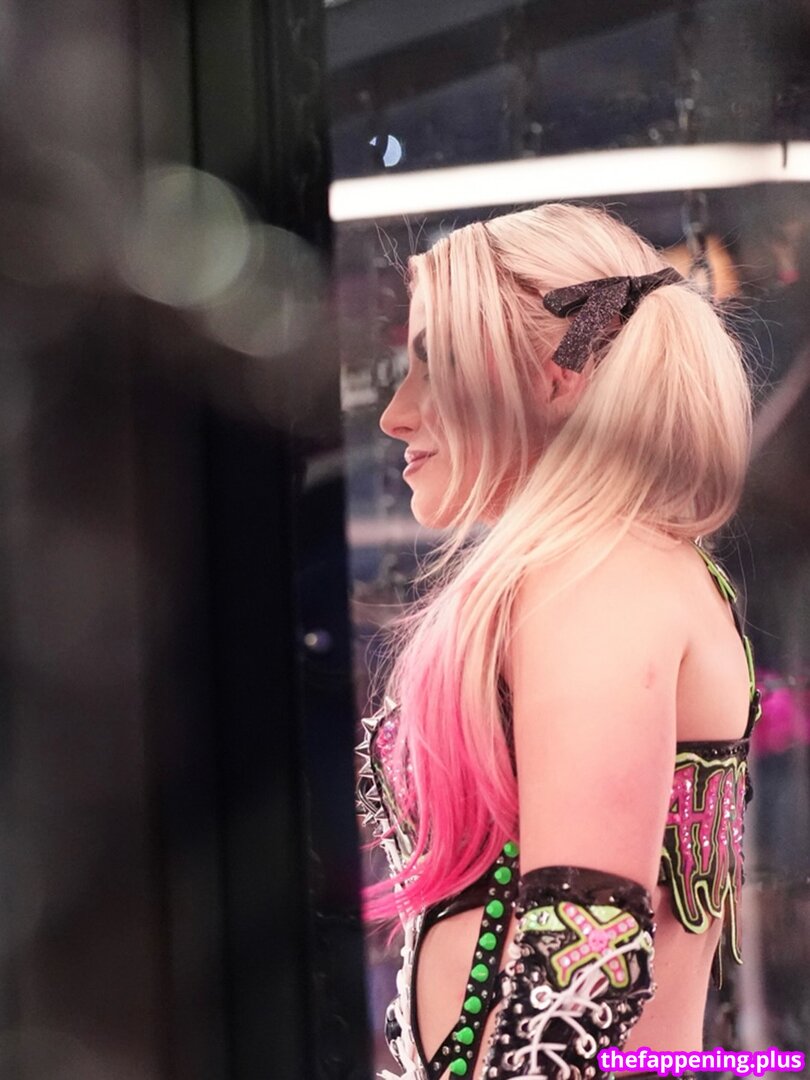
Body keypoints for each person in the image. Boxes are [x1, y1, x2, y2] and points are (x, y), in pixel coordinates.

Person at [355, 203, 761, 1080]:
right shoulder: (616, 568)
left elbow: (584, 964)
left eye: (435, 367)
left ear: (554, 376)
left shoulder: (599, 574)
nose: (397, 414)